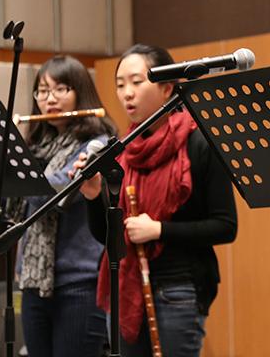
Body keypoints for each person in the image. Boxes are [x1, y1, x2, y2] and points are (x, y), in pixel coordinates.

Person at [75, 44, 237, 357]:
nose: (126, 94)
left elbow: (225, 226)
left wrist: (159, 230)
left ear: (166, 88)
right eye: (120, 85)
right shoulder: (120, 150)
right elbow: (109, 238)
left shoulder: (200, 141)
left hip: (180, 288)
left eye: (137, 82)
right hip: (125, 287)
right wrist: (93, 197)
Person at [2, 55, 117, 357]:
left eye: (60, 89)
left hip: (79, 284)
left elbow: (59, 192)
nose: (49, 99)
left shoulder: (97, 144)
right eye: (42, 91)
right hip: (32, 282)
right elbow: (3, 211)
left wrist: (16, 164)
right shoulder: (35, 148)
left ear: (80, 91)